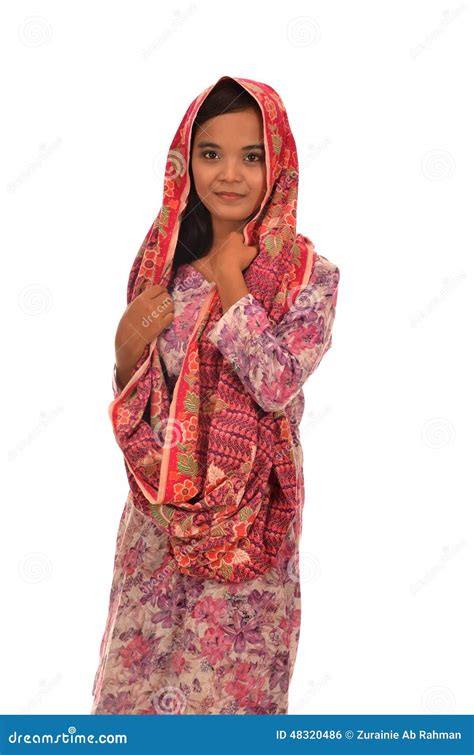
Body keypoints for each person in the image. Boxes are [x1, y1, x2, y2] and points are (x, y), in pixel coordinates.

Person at [91, 75, 340, 715]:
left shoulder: (307, 277)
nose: (229, 173)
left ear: (278, 163)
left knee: (228, 701)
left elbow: (276, 383)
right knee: (137, 699)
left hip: (251, 526)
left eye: (252, 155)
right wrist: (125, 352)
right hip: (157, 523)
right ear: (185, 161)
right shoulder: (161, 263)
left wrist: (232, 283)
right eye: (211, 153)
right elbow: (144, 404)